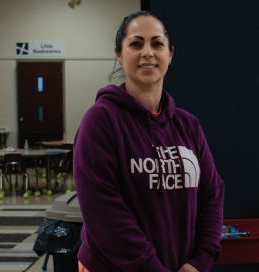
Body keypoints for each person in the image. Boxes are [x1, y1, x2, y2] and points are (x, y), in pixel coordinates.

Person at [74, 11, 224, 272]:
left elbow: (211, 194)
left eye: (157, 43)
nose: (147, 52)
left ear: (170, 54)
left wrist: (199, 261)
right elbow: (104, 213)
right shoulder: (99, 121)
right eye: (135, 43)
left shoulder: (188, 125)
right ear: (119, 55)